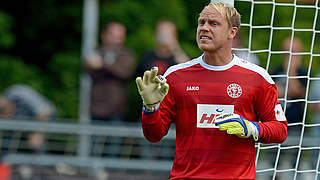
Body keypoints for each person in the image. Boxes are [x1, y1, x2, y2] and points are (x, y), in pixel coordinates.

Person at [135, 2, 288, 179]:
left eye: (213, 24)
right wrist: (150, 107)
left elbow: (280, 130)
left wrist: (252, 129)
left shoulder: (257, 77)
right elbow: (154, 135)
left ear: (232, 32)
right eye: (202, 22)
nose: (204, 28)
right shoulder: (176, 76)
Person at [85, 22, 136, 157]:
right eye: (113, 35)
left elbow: (125, 72)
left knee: (113, 153)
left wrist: (103, 65)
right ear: (104, 35)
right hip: (97, 109)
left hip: (116, 110)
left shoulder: (127, 54)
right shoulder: (96, 51)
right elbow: (87, 70)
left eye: (119, 36)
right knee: (94, 151)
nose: (116, 39)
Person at [0, 84, 56, 153]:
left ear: (8, 104)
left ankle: (45, 162)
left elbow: (45, 111)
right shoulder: (5, 104)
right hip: (23, 121)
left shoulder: (20, 94)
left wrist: (38, 133)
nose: (5, 117)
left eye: (4, 112)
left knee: (37, 144)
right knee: (7, 143)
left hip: (42, 118)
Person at [272, 37, 307, 135]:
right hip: (276, 120)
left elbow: (297, 92)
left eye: (293, 52)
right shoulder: (276, 70)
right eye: (287, 52)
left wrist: (291, 71)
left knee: (293, 149)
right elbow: (271, 93)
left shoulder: (303, 72)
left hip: (294, 122)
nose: (290, 56)